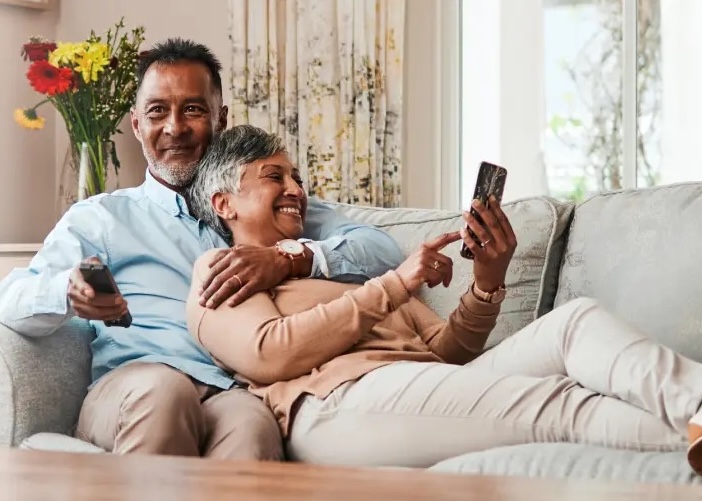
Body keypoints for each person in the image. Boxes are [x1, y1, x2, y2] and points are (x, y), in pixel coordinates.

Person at [183, 125, 702, 479]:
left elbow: (447, 352)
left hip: (411, 387)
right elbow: (270, 354)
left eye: (298, 176)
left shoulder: (337, 265)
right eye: (274, 177)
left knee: (574, 323)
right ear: (224, 202)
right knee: (564, 404)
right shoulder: (217, 273)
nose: (296, 188)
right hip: (333, 409)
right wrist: (397, 283)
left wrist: (487, 280)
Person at [0, 39, 403, 460]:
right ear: (136, 124)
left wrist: (290, 259)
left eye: (192, 109)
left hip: (228, 388)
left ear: (220, 119)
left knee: (252, 423)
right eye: (157, 111)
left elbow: (383, 251)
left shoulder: (267, 201)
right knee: (165, 392)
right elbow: (11, 300)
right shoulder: (102, 217)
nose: (174, 127)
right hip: (134, 381)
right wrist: (70, 291)